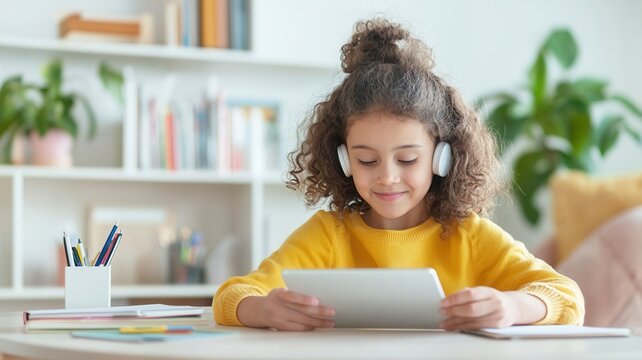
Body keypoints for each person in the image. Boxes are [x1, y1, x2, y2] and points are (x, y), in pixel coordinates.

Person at [213, 18, 584, 331]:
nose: (387, 178)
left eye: (407, 160)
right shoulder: (328, 235)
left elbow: (566, 297)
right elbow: (232, 295)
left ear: (441, 158)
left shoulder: (469, 235)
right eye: (367, 161)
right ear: (343, 161)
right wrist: (261, 310)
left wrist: (514, 308)